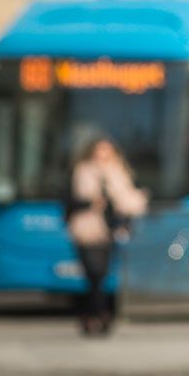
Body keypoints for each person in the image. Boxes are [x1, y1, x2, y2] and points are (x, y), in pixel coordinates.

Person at [65, 136, 146, 337]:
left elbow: (128, 204)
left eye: (107, 151)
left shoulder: (119, 174)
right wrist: (90, 204)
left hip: (108, 232)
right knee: (91, 274)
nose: (103, 155)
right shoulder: (81, 172)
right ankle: (95, 314)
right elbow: (68, 202)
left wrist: (125, 220)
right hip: (85, 229)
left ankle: (97, 315)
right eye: (100, 150)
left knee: (99, 274)